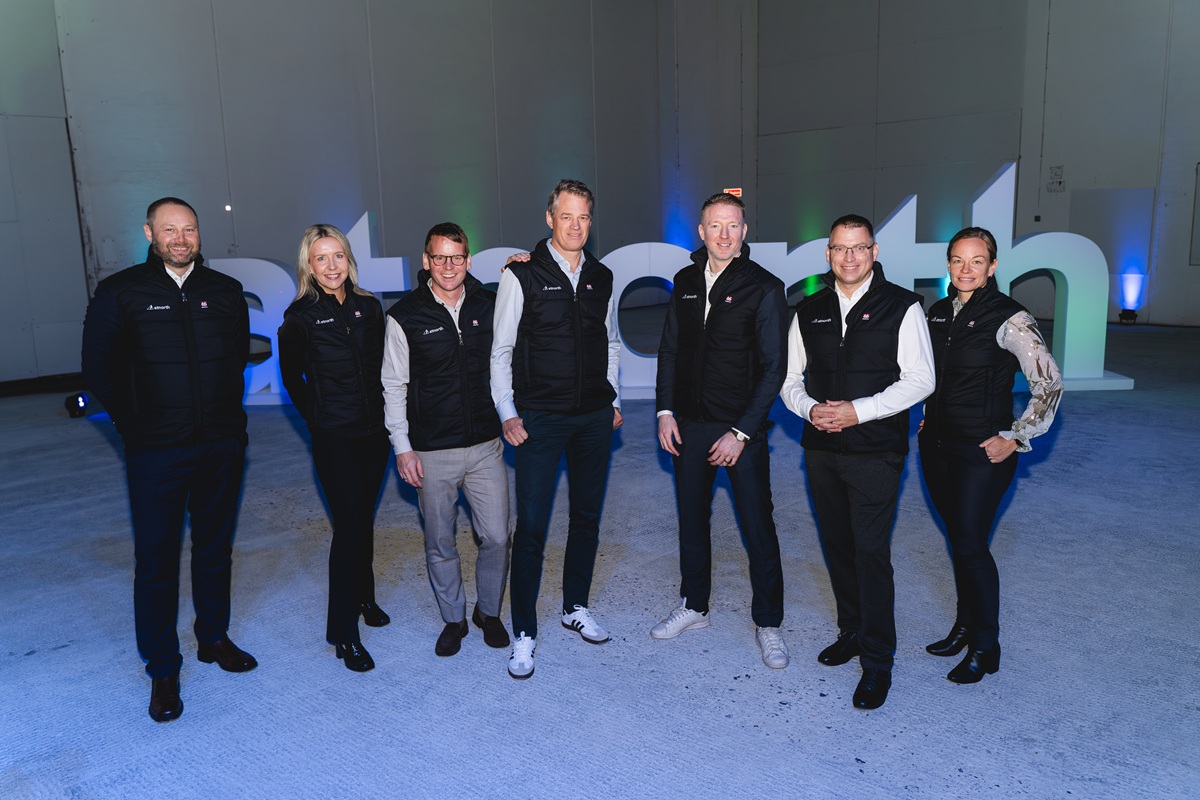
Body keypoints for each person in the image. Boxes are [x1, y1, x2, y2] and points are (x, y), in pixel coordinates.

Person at [81, 197, 256, 722]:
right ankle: (162, 666)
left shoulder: (224, 292)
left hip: (220, 446)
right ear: (149, 233)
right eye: (169, 230)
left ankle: (214, 638)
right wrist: (135, 427)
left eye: (189, 230)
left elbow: (235, 360)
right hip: (156, 452)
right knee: (156, 561)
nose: (181, 239)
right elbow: (98, 368)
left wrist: (229, 424)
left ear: (199, 234)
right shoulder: (121, 292)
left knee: (214, 549)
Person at [780, 214, 935, 710]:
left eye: (859, 248)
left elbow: (921, 379)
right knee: (838, 546)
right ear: (827, 254)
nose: (850, 257)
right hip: (821, 449)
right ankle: (851, 631)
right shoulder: (809, 309)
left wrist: (857, 412)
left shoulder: (902, 306)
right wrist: (811, 410)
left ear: (874, 252)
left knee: (870, 554)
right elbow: (789, 379)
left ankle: (878, 661)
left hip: (877, 451)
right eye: (840, 249)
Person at [490, 179, 623, 679]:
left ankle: (574, 607)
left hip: (592, 417)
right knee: (532, 528)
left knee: (587, 517)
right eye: (566, 216)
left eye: (584, 217)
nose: (575, 226)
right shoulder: (520, 275)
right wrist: (507, 411)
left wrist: (609, 395)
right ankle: (524, 631)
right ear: (550, 218)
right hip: (539, 419)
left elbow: (609, 341)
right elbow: (501, 350)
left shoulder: (602, 276)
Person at [652, 192, 791, 668]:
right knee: (692, 521)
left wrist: (742, 433)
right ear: (702, 231)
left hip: (740, 431)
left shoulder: (765, 287)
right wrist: (665, 412)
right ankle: (695, 606)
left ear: (744, 231)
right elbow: (669, 350)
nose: (724, 235)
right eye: (715, 226)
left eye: (732, 226)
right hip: (688, 425)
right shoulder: (685, 281)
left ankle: (769, 622)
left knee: (758, 527)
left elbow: (775, 368)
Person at [919, 226, 1062, 684]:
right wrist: (927, 413)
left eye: (976, 261)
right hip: (936, 446)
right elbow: (928, 375)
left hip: (983, 452)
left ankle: (987, 644)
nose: (966, 269)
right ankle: (964, 626)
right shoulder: (937, 312)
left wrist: (1017, 436)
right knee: (959, 537)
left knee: (971, 545)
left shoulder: (1010, 318)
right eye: (958, 260)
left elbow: (1049, 384)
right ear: (947, 264)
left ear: (993, 266)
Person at [382, 222, 511, 658]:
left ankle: (488, 612)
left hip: (484, 446)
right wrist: (402, 446)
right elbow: (394, 385)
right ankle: (454, 618)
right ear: (426, 261)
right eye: (440, 257)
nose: (449, 266)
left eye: (457, 257)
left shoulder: (489, 304)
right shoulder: (405, 315)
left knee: (496, 535)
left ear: (469, 260)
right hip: (431, 451)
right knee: (440, 541)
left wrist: (524, 265)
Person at [278, 224, 390, 673]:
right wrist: (318, 419)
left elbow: (386, 366)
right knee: (348, 528)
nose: (331, 266)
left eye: (338, 256)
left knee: (362, 519)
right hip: (335, 438)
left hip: (375, 434)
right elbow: (291, 379)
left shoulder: (369, 307)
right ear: (308, 264)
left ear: (349, 260)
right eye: (321, 258)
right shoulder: (299, 317)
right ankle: (343, 633)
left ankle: (365, 596)